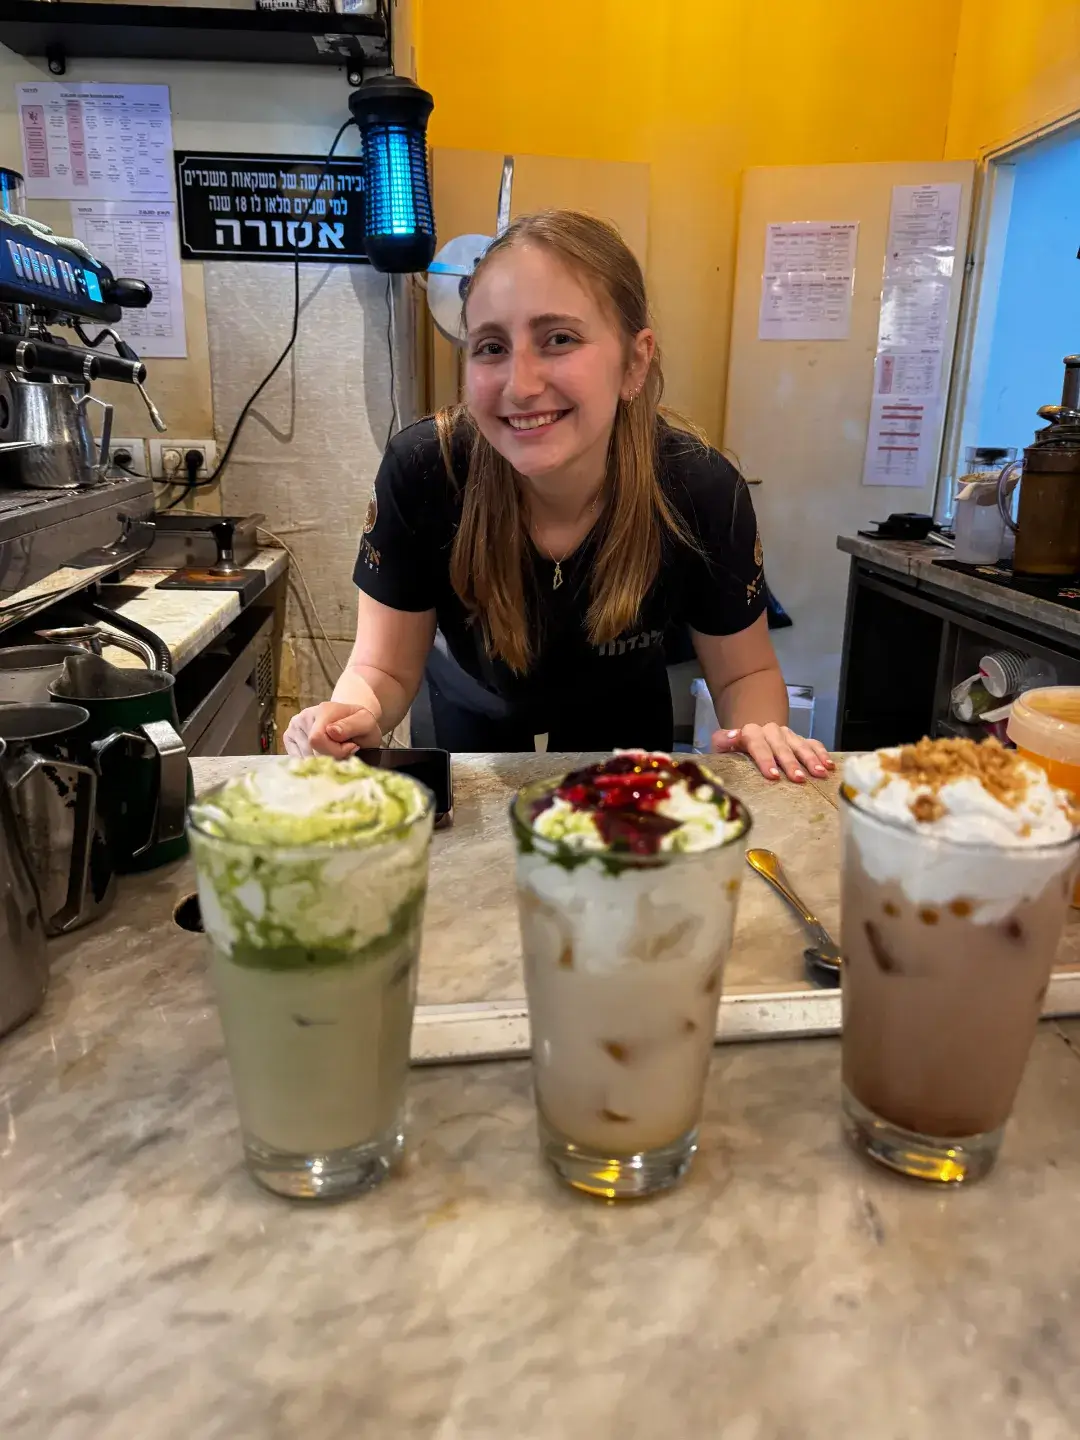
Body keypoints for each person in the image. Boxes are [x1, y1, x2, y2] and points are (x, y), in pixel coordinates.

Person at [285, 210, 832, 783]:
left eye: (560, 339)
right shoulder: (423, 470)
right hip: (468, 727)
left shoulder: (702, 489)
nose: (520, 386)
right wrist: (350, 716)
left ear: (635, 361)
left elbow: (743, 675)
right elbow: (382, 670)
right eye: (491, 346)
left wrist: (759, 733)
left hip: (624, 733)